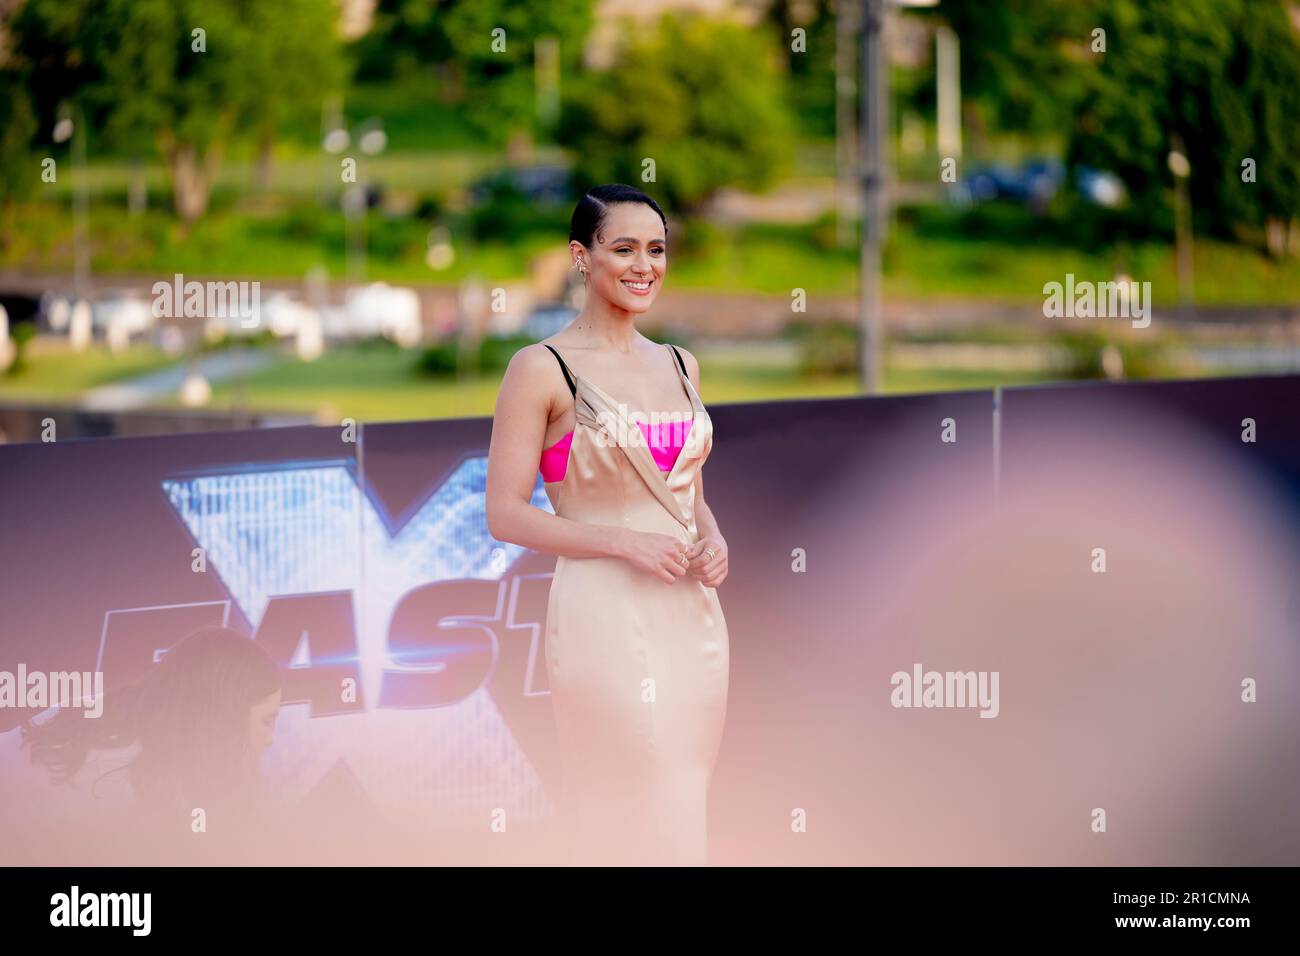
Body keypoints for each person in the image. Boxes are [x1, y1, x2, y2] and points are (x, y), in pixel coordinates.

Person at [486, 184, 730, 866]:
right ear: (580, 256)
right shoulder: (539, 368)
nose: (643, 265)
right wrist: (622, 543)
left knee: (685, 788)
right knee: (623, 792)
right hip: (603, 611)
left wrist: (714, 541)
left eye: (655, 249)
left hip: (693, 615)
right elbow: (504, 514)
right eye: (623, 248)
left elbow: (689, 496)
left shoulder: (682, 364)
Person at [15, 625, 283, 864]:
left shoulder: (78, 717)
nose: (270, 740)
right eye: (267, 722)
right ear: (225, 719)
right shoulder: (143, 788)